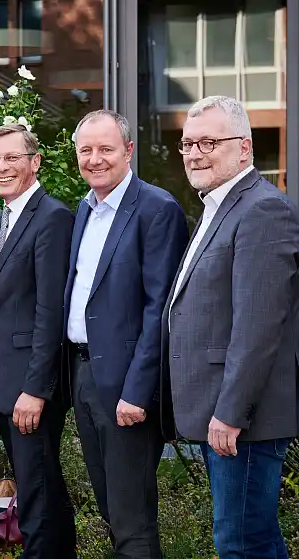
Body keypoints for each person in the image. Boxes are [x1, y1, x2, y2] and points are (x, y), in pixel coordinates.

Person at [162, 95, 299, 558]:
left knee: (241, 543)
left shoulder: (262, 209)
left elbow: (259, 325)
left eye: (208, 142)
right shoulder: (218, 205)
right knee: (252, 537)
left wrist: (231, 411)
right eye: (186, 144)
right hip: (224, 412)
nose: (195, 153)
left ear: (244, 147)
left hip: (242, 419)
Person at [63, 110, 188, 558]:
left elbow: (161, 310)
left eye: (106, 149)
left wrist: (138, 392)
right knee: (111, 508)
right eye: (86, 150)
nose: (95, 159)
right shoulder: (85, 209)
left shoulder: (157, 209)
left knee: (131, 516)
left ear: (129, 151)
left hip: (126, 387)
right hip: (85, 375)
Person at [0, 124, 76, 558]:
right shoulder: (2, 219)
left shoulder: (52, 216)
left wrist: (35, 388)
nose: (2, 167)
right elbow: (1, 310)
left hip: (31, 387)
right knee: (40, 487)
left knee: (37, 495)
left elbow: (50, 312)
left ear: (35, 162)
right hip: (4, 383)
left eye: (12, 158)